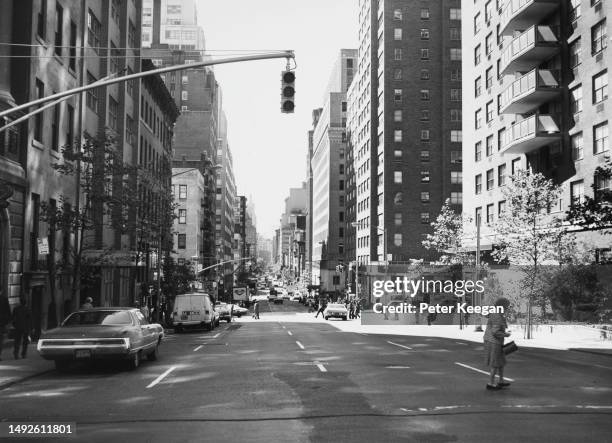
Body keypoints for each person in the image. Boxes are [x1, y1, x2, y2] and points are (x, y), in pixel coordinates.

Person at [483, 297, 512, 390]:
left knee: (501, 362)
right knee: (495, 363)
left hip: (495, 341)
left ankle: (501, 381)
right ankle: (490, 383)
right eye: (506, 307)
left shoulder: (497, 314)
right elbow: (495, 332)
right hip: (494, 342)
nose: (507, 309)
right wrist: (505, 334)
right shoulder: (497, 316)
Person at [0, 291, 11, 361]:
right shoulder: (4, 299)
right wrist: (7, 322)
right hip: (1, 323)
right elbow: (8, 312)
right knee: (0, 340)